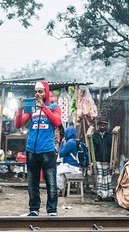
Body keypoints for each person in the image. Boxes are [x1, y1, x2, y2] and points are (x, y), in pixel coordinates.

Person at [15, 80, 62, 216]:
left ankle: (52, 210)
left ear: (46, 93)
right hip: (31, 151)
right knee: (32, 184)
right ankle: (34, 210)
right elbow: (18, 124)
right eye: (36, 91)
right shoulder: (32, 109)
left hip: (47, 151)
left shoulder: (54, 108)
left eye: (40, 91)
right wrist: (19, 109)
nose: (37, 94)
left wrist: (44, 107)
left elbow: (57, 122)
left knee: (51, 183)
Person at [92, 116, 113, 201]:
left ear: (106, 125)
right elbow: (93, 148)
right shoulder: (95, 135)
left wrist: (113, 160)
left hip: (108, 160)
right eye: (100, 125)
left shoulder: (110, 135)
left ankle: (110, 195)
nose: (102, 127)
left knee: (108, 178)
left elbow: (113, 147)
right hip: (99, 159)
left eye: (104, 125)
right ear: (98, 126)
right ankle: (99, 195)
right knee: (100, 177)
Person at [56, 126, 81, 196]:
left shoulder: (69, 143)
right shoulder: (76, 141)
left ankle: (62, 189)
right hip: (76, 167)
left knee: (56, 172)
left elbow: (61, 154)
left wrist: (61, 144)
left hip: (71, 166)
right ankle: (63, 188)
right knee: (61, 172)